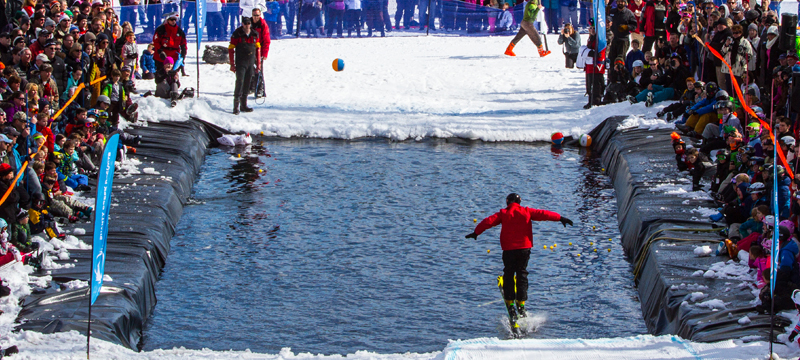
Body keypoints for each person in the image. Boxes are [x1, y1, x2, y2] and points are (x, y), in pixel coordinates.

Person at [465, 193, 573, 322]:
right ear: (519, 202)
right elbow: (544, 214)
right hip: (524, 249)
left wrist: (476, 232)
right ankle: (521, 304)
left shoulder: (503, 213)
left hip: (508, 250)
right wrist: (561, 218)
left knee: (509, 274)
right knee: (522, 274)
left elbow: (487, 222)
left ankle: (510, 303)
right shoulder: (527, 211)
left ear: (507, 202)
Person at [228, 17, 261, 115]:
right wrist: (232, 64)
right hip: (240, 63)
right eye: (245, 23)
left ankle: (244, 105)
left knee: (247, 83)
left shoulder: (255, 34)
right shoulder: (237, 34)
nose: (247, 25)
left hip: (250, 63)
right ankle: (236, 106)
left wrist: (258, 64)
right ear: (242, 24)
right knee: (239, 83)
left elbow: (258, 50)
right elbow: (231, 49)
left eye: (248, 23)